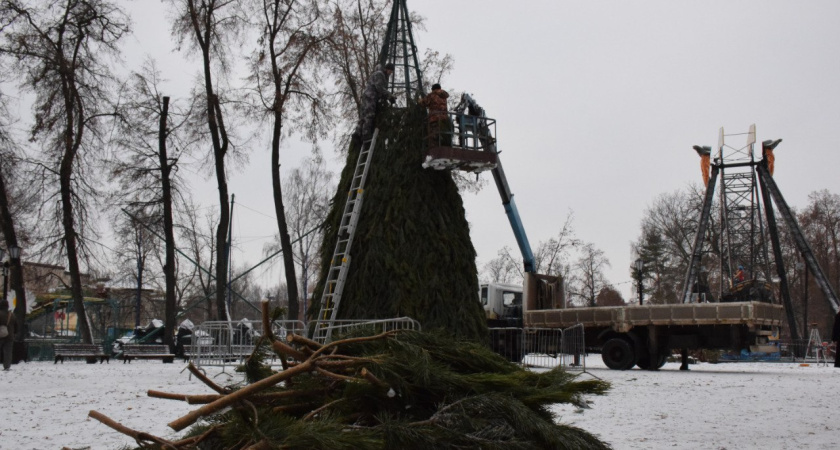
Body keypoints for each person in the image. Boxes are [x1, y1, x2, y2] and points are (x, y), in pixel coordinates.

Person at [352, 63, 397, 146]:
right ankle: (366, 135)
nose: (391, 73)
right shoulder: (380, 75)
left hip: (367, 95)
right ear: (388, 69)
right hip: (371, 96)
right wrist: (390, 96)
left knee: (363, 115)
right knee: (369, 115)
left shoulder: (378, 74)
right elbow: (379, 88)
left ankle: (357, 134)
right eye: (391, 71)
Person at [418, 83, 452, 147]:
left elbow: (424, 103)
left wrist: (419, 101)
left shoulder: (432, 95)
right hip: (444, 119)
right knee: (443, 135)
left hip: (434, 119)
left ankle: (434, 149)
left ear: (433, 89)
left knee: (434, 136)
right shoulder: (444, 96)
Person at [0, 299, 18, 371]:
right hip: (10, 336)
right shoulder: (12, 315)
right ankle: (7, 366)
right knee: (8, 352)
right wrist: (14, 333)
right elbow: (16, 326)